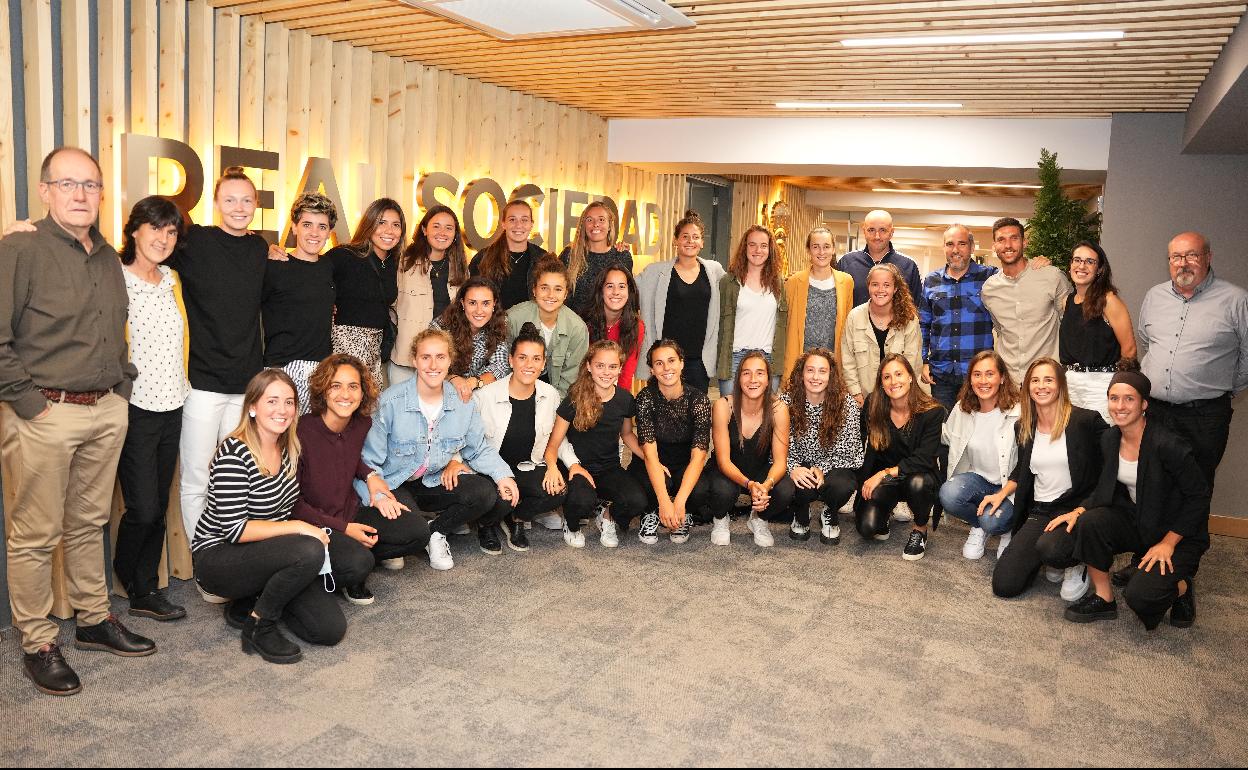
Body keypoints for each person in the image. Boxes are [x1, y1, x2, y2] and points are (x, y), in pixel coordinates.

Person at [1, 147, 154, 696]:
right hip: (44, 412)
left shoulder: (108, 255)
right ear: (45, 191)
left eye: (91, 185)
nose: (82, 194)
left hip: (104, 408)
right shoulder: (20, 248)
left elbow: (115, 331)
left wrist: (121, 387)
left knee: (89, 522)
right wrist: (29, 404)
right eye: (69, 184)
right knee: (34, 534)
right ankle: (39, 642)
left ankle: (93, 621)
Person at [192, 370, 344, 664]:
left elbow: (286, 509)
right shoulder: (234, 453)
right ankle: (260, 625)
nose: (282, 410)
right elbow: (235, 530)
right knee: (309, 548)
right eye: (272, 401)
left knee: (330, 629)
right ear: (252, 407)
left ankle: (253, 598)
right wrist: (300, 527)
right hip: (219, 557)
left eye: (289, 402)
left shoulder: (288, 447)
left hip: (264, 553)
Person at [1037, 372, 1210, 628]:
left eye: (1129, 399)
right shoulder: (1110, 439)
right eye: (1114, 398)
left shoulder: (1168, 444)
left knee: (1141, 597)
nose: (1120, 406)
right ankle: (1104, 598)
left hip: (1175, 531)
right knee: (1089, 523)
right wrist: (1080, 510)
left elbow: (1199, 497)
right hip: (1137, 519)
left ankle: (1183, 587)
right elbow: (1106, 487)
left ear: (1144, 405)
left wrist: (1168, 543)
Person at [167, 167, 269, 581]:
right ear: (216, 203)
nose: (239, 207)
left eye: (246, 200)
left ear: (256, 205)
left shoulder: (261, 248)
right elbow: (141, 250)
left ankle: (233, 558)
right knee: (196, 477)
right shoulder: (196, 242)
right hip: (202, 385)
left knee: (234, 480)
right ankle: (205, 562)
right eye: (230, 199)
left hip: (245, 386)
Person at [362, 328, 518, 568]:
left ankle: (436, 531)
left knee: (488, 493)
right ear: (414, 360)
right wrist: (381, 497)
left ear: (450, 360)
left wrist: (503, 474)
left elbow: (477, 449)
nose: (433, 365)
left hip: (432, 480)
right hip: (394, 482)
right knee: (407, 538)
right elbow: (369, 461)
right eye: (426, 357)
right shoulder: (390, 402)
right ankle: (416, 530)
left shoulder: (463, 403)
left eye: (440, 357)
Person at [294, 355, 428, 606]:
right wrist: (344, 530)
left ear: (362, 391)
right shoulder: (301, 432)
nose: (345, 394)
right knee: (360, 563)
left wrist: (370, 475)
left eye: (353, 386)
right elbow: (294, 506)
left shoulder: (361, 424)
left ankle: (350, 557)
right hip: (314, 525)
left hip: (351, 513)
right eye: (336, 385)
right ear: (323, 389)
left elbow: (349, 454)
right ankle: (340, 567)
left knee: (417, 532)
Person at [112, 196, 190, 623]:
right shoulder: (114, 277)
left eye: (171, 231)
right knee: (141, 506)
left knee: (158, 503)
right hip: (134, 407)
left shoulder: (173, 279)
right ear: (135, 230)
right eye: (155, 227)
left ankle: (144, 589)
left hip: (173, 402)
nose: (163, 238)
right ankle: (130, 577)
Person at [985, 357, 1107, 601]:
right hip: (1041, 511)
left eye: (1048, 380)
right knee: (1004, 585)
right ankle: (1049, 556)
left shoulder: (1085, 421)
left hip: (1076, 509)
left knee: (1051, 548)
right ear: (1028, 387)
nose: (1041, 386)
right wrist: (1001, 493)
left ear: (1061, 385)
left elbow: (1109, 471)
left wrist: (1084, 509)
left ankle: (1077, 563)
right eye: (1035, 380)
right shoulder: (1024, 427)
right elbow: (1023, 469)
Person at [1137, 231, 1247, 490]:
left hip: (1204, 416)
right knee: (1153, 483)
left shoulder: (1236, 300)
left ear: (1208, 257)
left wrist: (1225, 388)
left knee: (1195, 487)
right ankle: (1155, 533)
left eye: (1191, 255)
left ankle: (1192, 533)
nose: (1183, 263)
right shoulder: (1155, 296)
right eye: (1176, 256)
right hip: (1156, 411)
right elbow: (1147, 341)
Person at [473, 323, 577, 549]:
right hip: (492, 470)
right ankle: (487, 523)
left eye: (536, 359)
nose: (529, 365)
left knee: (559, 489)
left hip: (527, 466)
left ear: (543, 363)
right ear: (511, 360)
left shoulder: (550, 395)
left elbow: (558, 437)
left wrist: (568, 465)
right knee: (497, 499)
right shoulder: (485, 396)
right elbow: (470, 441)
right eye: (522, 358)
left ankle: (517, 518)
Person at [545, 341, 647, 548]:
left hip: (609, 468)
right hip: (577, 469)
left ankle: (607, 515)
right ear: (589, 366)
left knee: (637, 501)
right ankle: (571, 525)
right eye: (600, 365)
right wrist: (552, 466)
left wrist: (650, 459)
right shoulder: (574, 398)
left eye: (612, 366)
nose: (606, 372)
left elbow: (627, 435)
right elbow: (553, 444)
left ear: (620, 368)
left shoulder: (624, 399)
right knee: (583, 501)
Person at [855, 354, 946, 560]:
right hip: (887, 480)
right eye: (887, 377)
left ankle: (919, 529)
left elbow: (924, 458)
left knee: (918, 483)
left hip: (916, 476)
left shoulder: (933, 411)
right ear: (881, 383)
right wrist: (864, 482)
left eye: (899, 374)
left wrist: (884, 473)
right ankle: (885, 511)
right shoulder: (873, 404)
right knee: (868, 529)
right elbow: (863, 444)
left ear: (911, 377)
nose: (893, 381)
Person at [938, 350, 1022, 561]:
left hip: (1010, 487)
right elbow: (946, 437)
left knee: (993, 521)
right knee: (949, 494)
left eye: (989, 374)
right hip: (979, 482)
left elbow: (1028, 463)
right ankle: (978, 526)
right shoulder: (962, 409)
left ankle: (1006, 531)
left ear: (1002, 378)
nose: (983, 381)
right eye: (977, 375)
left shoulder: (1019, 411)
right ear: (970, 379)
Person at [707, 352, 796, 546]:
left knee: (786, 489)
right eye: (746, 373)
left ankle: (759, 519)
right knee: (722, 490)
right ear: (739, 379)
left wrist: (766, 486)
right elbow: (723, 461)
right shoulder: (723, 406)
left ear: (768, 380)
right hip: (726, 470)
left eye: (760, 373)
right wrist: (749, 484)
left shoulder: (778, 409)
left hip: (759, 470)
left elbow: (781, 462)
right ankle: (720, 518)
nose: (753, 380)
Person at [630, 340, 714, 545]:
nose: (666, 368)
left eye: (671, 361)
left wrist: (679, 502)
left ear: (682, 363)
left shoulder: (699, 400)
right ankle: (651, 512)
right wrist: (664, 501)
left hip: (685, 462)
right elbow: (649, 454)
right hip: (653, 460)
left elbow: (699, 455)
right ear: (651, 370)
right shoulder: (645, 398)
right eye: (659, 363)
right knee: (654, 486)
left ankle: (682, 514)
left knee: (701, 490)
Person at [262, 192, 337, 411]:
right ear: (294, 227)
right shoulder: (275, 266)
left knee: (310, 442)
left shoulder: (328, 267)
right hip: (282, 368)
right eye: (307, 224)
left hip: (321, 370)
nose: (314, 233)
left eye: (322, 227)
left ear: (329, 232)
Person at [781, 349, 864, 546]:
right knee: (792, 483)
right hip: (798, 462)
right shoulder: (785, 402)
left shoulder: (847, 404)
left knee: (841, 485)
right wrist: (793, 467)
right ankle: (801, 512)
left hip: (834, 465)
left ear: (831, 376)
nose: (815, 377)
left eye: (822, 371)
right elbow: (778, 447)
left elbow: (851, 453)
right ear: (801, 374)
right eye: (810, 370)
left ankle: (830, 512)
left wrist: (822, 469)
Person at [637, 210, 725, 393]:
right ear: (676, 240)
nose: (690, 241)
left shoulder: (714, 271)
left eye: (695, 237)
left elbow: (736, 289)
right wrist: (621, 256)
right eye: (685, 236)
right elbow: (627, 287)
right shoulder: (655, 272)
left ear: (702, 242)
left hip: (698, 361)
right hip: (665, 360)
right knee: (661, 414)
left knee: (695, 416)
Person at [980, 217, 1072, 384]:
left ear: (1024, 242)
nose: (1008, 245)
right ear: (994, 247)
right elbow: (1000, 330)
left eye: (1014, 238)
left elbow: (1071, 322)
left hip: (1046, 379)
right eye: (1001, 239)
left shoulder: (1051, 276)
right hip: (1010, 380)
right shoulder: (989, 289)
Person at [325, 198, 405, 387]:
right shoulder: (344, 256)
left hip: (374, 350)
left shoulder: (395, 264)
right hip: (342, 348)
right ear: (369, 224)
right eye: (381, 223)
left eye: (396, 225)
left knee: (368, 411)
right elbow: (310, 275)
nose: (389, 231)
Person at [918, 224, 999, 410]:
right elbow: (924, 325)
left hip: (978, 375)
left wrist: (1038, 264)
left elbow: (1016, 276)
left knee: (976, 431)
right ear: (944, 248)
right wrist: (924, 361)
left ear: (971, 247)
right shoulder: (931, 280)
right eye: (950, 244)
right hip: (941, 373)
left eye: (962, 244)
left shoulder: (990, 277)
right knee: (945, 431)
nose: (955, 250)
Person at [1060, 241, 1137, 422]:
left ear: (1100, 269)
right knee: (1076, 442)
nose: (1082, 266)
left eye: (1089, 261)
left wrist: (1119, 389)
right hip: (1070, 384)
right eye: (1077, 260)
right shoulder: (1068, 301)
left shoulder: (1109, 301)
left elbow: (1130, 350)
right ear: (1070, 265)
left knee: (1102, 442)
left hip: (1101, 385)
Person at [391, 204, 467, 385]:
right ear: (424, 229)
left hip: (443, 363)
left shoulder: (460, 269)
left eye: (449, 228)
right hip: (406, 361)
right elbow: (389, 306)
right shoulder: (403, 263)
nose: (442, 232)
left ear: (455, 234)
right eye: (436, 226)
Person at [840, 263, 925, 406]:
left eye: (886, 285)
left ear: (895, 288)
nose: (880, 290)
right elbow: (847, 359)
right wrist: (855, 392)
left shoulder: (909, 320)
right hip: (863, 398)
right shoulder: (854, 317)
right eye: (875, 284)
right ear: (868, 287)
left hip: (900, 397)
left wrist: (899, 396)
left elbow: (912, 363)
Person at [716, 226, 788, 394]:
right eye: (752, 245)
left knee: (765, 417)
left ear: (770, 250)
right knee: (731, 415)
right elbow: (717, 322)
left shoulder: (778, 283)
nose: (758, 250)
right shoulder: (729, 281)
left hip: (768, 359)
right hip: (734, 359)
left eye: (763, 245)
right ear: (744, 248)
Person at [506, 256, 589, 397]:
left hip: (556, 398)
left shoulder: (577, 328)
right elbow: (504, 367)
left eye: (558, 289)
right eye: (544, 288)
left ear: (565, 294)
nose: (551, 295)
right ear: (534, 290)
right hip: (513, 394)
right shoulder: (513, 319)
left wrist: (553, 409)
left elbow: (571, 380)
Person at [782, 227, 854, 381]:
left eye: (826, 246)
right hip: (800, 363)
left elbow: (847, 326)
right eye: (816, 247)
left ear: (833, 249)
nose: (821, 252)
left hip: (832, 365)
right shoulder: (793, 282)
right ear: (808, 250)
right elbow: (785, 325)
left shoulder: (846, 282)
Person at [429, 275, 511, 404]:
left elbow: (500, 366)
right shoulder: (441, 326)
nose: (479, 311)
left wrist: (474, 382)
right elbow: (430, 366)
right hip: (441, 392)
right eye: (472, 303)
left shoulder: (501, 323)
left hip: (480, 394)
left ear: (494, 303)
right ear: (462, 303)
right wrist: (453, 378)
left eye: (486, 303)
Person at [559, 200, 632, 317]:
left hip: (608, 330)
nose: (595, 224)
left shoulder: (622, 257)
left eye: (601, 219)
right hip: (572, 329)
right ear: (583, 225)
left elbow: (628, 299)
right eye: (589, 220)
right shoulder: (569, 255)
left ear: (609, 225)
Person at [469, 199, 546, 309]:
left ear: (531, 224)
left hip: (531, 324)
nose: (518, 225)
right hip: (493, 324)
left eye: (524, 220)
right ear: (503, 224)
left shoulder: (542, 259)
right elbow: (471, 298)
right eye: (512, 219)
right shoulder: (483, 258)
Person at [837, 210, 923, 307]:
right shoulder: (846, 262)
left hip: (896, 323)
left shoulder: (908, 266)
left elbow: (916, 307)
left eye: (883, 230)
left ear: (891, 232)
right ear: (864, 231)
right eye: (871, 230)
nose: (877, 236)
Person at [584, 265, 644, 389]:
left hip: (616, 392)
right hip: (585, 391)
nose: (616, 292)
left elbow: (626, 374)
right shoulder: (584, 323)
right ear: (601, 290)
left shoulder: (636, 326)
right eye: (610, 286)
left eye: (622, 286)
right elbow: (581, 369)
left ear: (629, 291)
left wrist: (618, 403)